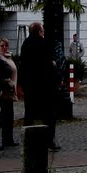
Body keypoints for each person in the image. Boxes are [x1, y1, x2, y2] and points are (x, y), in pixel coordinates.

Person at [18, 21, 60, 151]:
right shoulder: (44, 44)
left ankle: (27, 141)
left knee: (29, 113)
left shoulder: (25, 44)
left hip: (30, 86)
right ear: (40, 32)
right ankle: (49, 141)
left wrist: (23, 84)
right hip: (45, 86)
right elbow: (49, 64)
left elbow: (23, 66)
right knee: (49, 115)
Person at [0, 37, 18, 147]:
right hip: (4, 90)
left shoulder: (8, 56)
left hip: (11, 90)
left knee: (9, 115)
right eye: (2, 46)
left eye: (6, 45)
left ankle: (8, 139)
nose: (4, 48)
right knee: (4, 115)